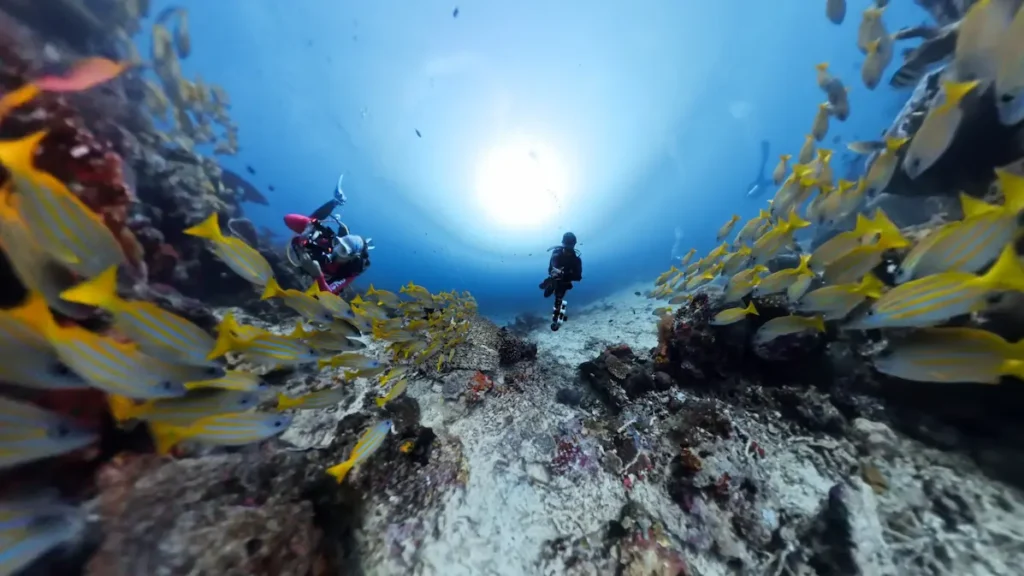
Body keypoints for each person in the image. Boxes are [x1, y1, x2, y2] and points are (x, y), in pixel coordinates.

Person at [283, 174, 373, 295]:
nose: (336, 250)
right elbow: (289, 219)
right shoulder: (326, 242)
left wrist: (317, 275)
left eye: (343, 250)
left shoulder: (351, 270)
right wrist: (308, 229)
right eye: (338, 243)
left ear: (351, 257)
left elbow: (329, 294)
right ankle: (337, 203)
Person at [540, 232, 582, 330]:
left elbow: (578, 277)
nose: (568, 247)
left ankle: (556, 319)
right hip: (554, 278)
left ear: (574, 244)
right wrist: (556, 274)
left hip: (564, 281)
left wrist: (565, 275)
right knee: (546, 294)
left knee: (558, 297)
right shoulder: (556, 253)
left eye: (570, 244)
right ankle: (550, 285)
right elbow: (553, 266)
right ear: (562, 243)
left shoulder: (576, 260)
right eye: (566, 243)